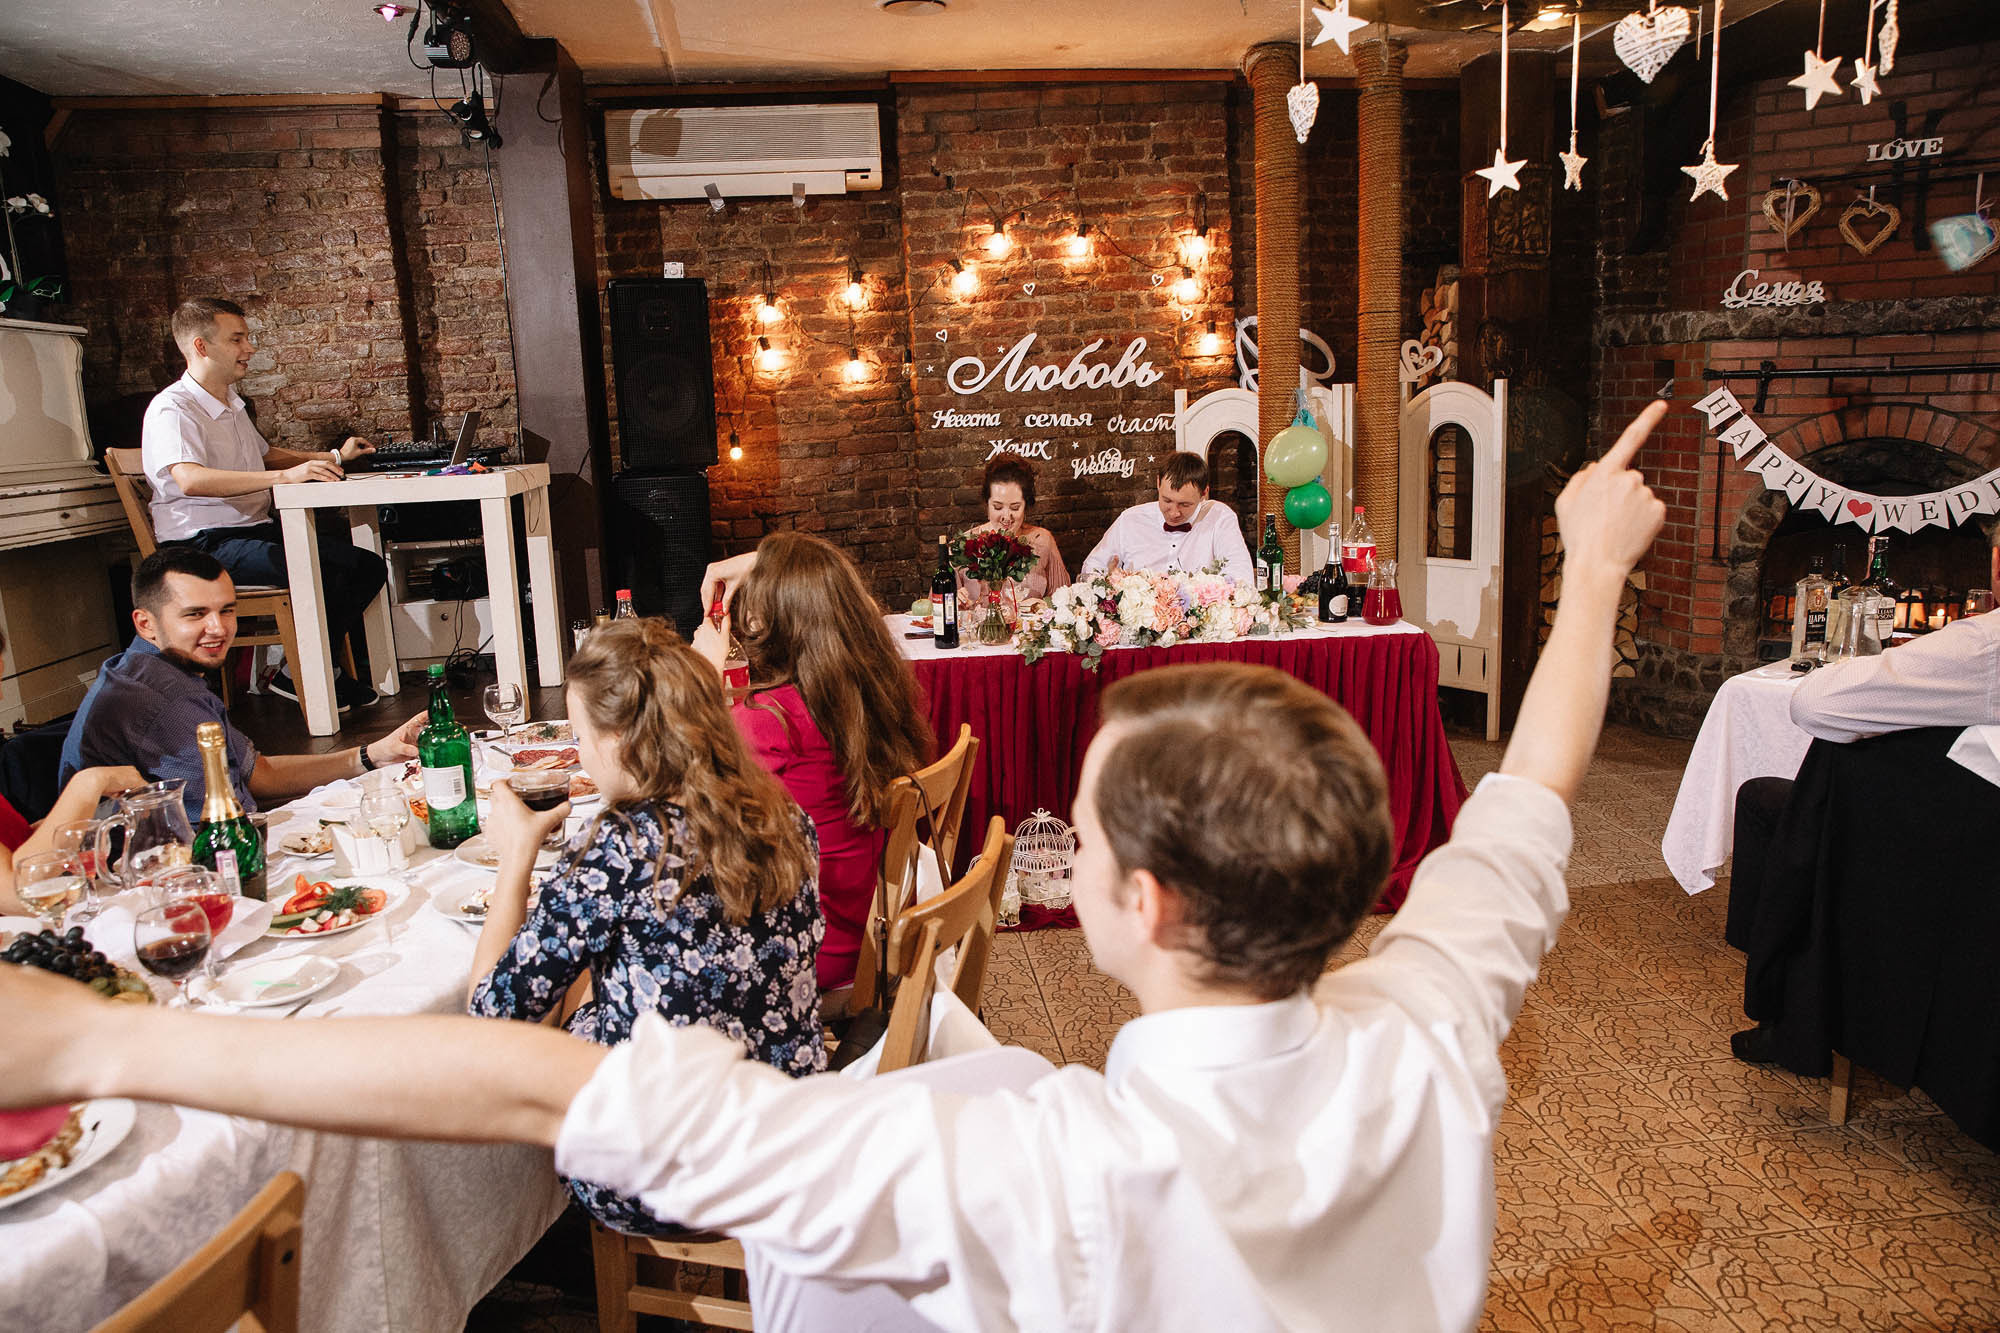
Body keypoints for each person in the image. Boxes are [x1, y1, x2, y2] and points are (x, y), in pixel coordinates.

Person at [0, 402, 1670, 1333]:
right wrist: (1588, 560)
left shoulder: (1044, 1169)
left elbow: (530, 1086)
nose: (1061, 847)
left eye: (1076, 832)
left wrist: (102, 1042)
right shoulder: (1432, 1009)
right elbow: (1529, 789)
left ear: (1138, 906)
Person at [466, 618, 824, 1235]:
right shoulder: (782, 814)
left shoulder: (624, 847)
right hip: (785, 1127)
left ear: (624, 744)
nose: (579, 754)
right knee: (590, 995)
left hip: (672, 1169)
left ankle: (520, 1239)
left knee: (530, 1048)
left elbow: (490, 1021)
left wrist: (517, 855)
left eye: (580, 736)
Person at [1728, 518, 1999, 1064]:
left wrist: (1895, 674)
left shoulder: (1986, 650)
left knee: (1784, 801)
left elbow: (1815, 704)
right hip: (1972, 843)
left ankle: (1787, 1010)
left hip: (1952, 865)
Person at [691, 534, 934, 993]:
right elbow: (843, 592)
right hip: (864, 923)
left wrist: (710, 678)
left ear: (776, 625)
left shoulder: (771, 721)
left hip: (810, 949)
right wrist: (754, 563)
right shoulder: (862, 687)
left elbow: (697, 807)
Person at [59, 547, 425, 824]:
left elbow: (256, 774)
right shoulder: (163, 698)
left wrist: (372, 754)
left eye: (227, 610)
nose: (219, 628)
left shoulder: (155, 671)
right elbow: (223, 825)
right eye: (195, 614)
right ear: (145, 624)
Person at [141, 297, 386, 709]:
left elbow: (264, 454)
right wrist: (284, 478)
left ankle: (301, 669)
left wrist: (333, 457)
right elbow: (190, 478)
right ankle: (304, 673)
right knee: (325, 568)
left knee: (364, 565)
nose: (249, 348)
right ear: (201, 346)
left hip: (249, 533)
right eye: (237, 339)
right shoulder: (172, 408)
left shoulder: (230, 402)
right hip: (200, 547)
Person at [1077, 450, 1253, 585]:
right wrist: (1109, 581)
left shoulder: (1219, 517)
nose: (1174, 512)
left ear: (1204, 493)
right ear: (1158, 483)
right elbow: (1091, 569)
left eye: (1185, 505)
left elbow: (1241, 577)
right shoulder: (1130, 520)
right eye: (1167, 500)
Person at [960, 457, 1070, 602]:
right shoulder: (964, 545)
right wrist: (955, 603)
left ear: (1026, 506)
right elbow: (936, 611)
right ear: (987, 504)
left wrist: (1043, 608)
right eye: (998, 507)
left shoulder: (1042, 540)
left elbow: (1064, 602)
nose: (1007, 516)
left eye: (1015, 507)